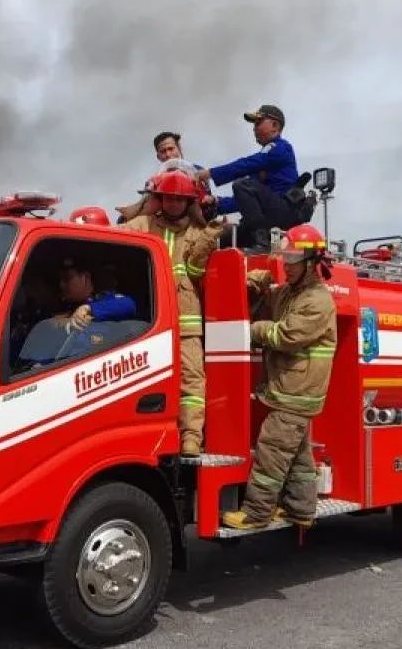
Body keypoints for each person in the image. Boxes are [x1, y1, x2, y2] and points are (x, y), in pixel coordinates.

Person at [222, 224, 338, 531]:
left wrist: (253, 331)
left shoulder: (318, 301)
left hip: (297, 391)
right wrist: (255, 284)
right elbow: (265, 301)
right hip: (290, 389)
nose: (287, 265)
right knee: (297, 455)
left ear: (311, 263)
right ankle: (301, 509)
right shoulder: (291, 293)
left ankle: (256, 513)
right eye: (285, 258)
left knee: (272, 450)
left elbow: (286, 335)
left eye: (293, 259)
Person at [120, 171, 223, 457]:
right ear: (159, 199)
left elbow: (196, 272)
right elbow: (115, 236)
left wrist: (210, 235)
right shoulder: (144, 224)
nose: (174, 203)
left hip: (186, 323)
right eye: (168, 198)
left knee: (191, 380)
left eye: (179, 199)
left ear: (189, 202)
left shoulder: (199, 233)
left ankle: (191, 437)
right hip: (150, 324)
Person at [196, 104, 300, 251]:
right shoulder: (263, 162)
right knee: (219, 242)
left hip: (282, 211)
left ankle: (262, 242)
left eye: (258, 122)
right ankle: (260, 238)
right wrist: (217, 203)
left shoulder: (280, 148)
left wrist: (211, 173)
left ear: (275, 126)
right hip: (266, 217)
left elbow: (245, 164)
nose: (254, 128)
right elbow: (245, 202)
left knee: (242, 185)